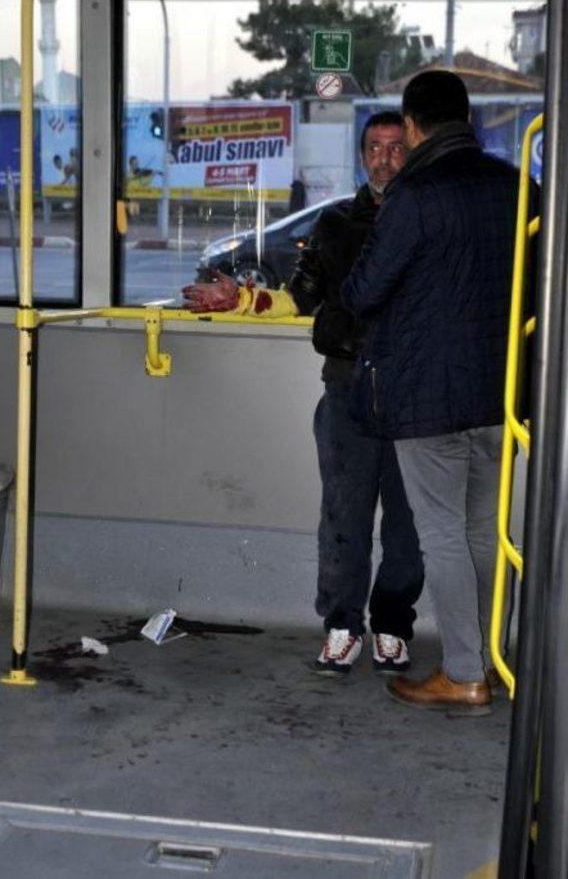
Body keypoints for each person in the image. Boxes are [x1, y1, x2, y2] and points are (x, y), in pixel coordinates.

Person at [183, 112, 424, 676]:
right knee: (344, 515)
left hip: (417, 397)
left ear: (411, 154)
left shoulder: (429, 222)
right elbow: (300, 297)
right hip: (346, 388)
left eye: (396, 148)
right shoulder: (338, 223)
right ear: (361, 156)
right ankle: (343, 627)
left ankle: (392, 625)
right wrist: (241, 299)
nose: (385, 158)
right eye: (375, 148)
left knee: (409, 523)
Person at [341, 71, 537, 714]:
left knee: (444, 536)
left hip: (428, 397)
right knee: (485, 531)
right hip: (502, 393)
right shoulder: (519, 187)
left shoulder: (414, 194)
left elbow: (364, 291)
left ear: (415, 125)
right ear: (468, 120)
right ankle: (488, 659)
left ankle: (462, 672)